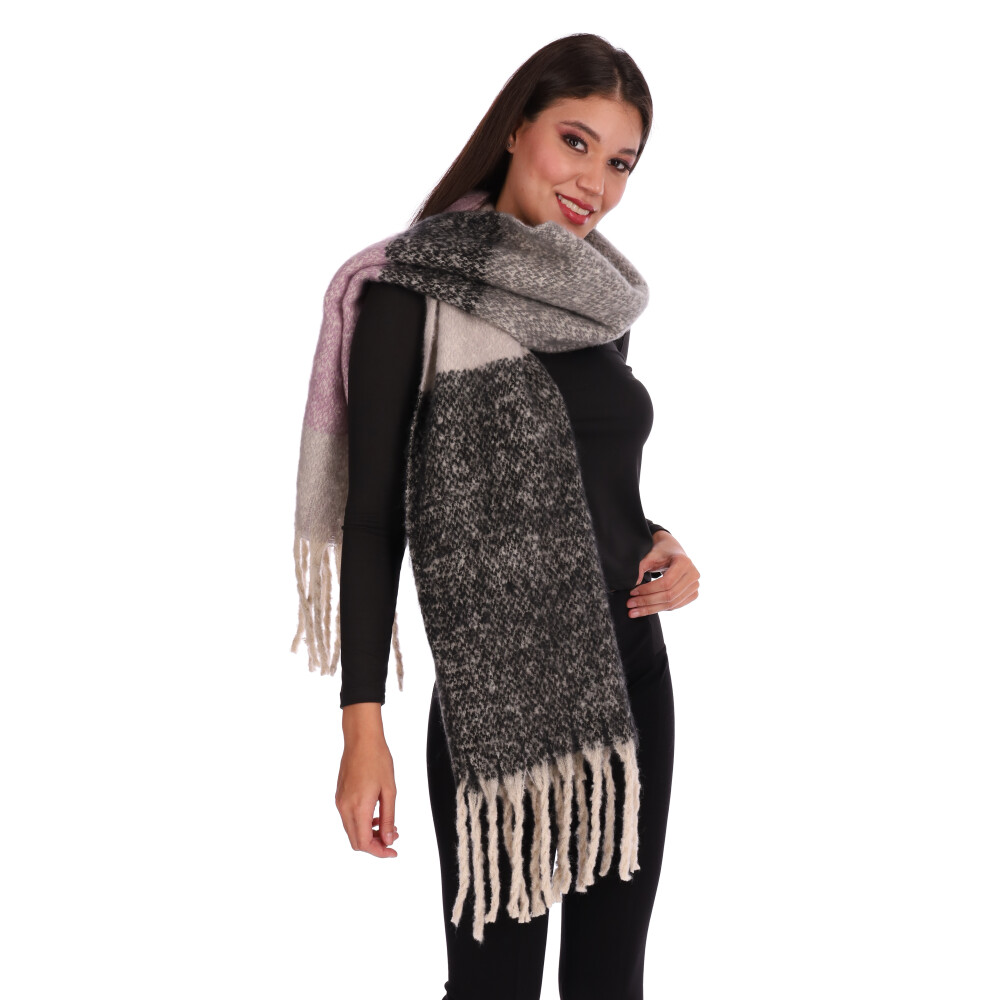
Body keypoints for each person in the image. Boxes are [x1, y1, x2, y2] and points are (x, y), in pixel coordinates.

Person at [305, 33, 700, 1000]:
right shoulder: (410, 294)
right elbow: (375, 521)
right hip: (498, 701)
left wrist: (665, 544)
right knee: (494, 988)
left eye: (621, 163)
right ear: (517, 127)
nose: (595, 183)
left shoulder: (593, 301)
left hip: (633, 680)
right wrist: (362, 728)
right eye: (576, 141)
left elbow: (592, 480)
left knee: (611, 984)